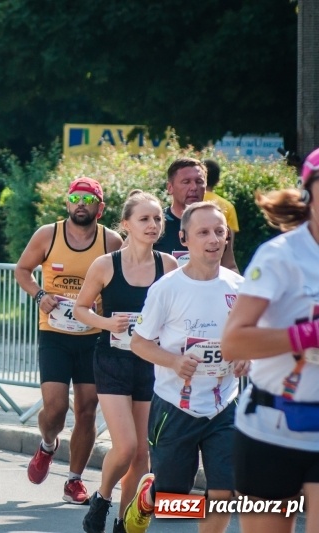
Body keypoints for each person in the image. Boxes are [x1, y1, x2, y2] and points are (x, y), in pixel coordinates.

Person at [125, 202, 247, 533]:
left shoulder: (239, 288)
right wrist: (175, 361)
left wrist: (245, 356)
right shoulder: (167, 288)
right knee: (174, 498)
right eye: (203, 232)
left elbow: (249, 339)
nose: (213, 240)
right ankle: (151, 496)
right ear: (184, 239)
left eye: (219, 232)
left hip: (224, 405)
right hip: (175, 406)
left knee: (224, 491)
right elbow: (139, 343)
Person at [221, 148, 319, 533]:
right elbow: (233, 343)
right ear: (308, 193)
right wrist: (308, 334)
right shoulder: (280, 256)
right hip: (269, 427)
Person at [74, 191, 178, 533]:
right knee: (126, 445)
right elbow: (80, 309)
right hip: (113, 361)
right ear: (126, 224)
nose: (152, 225)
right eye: (144, 219)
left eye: (157, 219)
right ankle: (102, 498)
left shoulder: (168, 266)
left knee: (141, 454)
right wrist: (106, 323)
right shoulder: (106, 265)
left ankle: (124, 522)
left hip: (150, 364)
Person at [14, 177, 123, 504]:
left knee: (87, 409)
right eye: (76, 198)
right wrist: (40, 295)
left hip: (93, 336)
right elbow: (22, 270)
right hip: (55, 333)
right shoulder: (48, 235)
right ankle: (48, 445)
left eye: (88, 200)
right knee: (56, 408)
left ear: (100, 208)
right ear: (67, 203)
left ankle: (74, 480)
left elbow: (122, 282)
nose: (81, 204)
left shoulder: (111, 241)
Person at [153, 158, 238, 273]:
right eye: (186, 182)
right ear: (170, 187)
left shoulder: (217, 225)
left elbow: (229, 267)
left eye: (199, 182)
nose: (193, 187)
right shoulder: (155, 224)